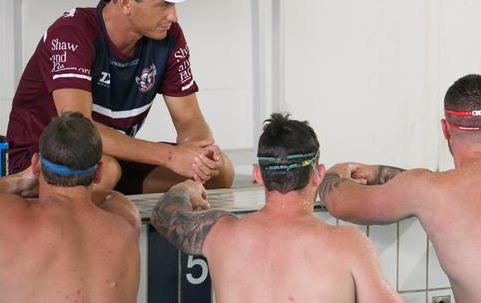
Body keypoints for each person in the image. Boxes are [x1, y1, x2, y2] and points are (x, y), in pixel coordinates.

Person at [319, 74, 481, 303]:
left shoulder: (433, 190)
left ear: (445, 128)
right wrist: (383, 172)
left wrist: (335, 172)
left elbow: (340, 202)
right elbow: (466, 189)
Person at [6, 0, 234, 195]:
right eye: (164, 4)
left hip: (111, 157)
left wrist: (199, 155)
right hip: (46, 160)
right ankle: (28, 191)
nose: (174, 15)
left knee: (221, 170)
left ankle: (112, 202)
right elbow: (79, 132)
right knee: (107, 172)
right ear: (125, 2)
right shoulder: (72, 33)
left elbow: (190, 120)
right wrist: (170, 156)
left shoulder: (169, 35)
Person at [151, 113, 402, 303]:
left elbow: (164, 214)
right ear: (318, 174)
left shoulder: (220, 234)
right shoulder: (348, 245)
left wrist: (185, 189)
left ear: (259, 175)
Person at [0, 112, 141, 302]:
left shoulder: (4, 214)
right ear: (99, 172)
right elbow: (109, 196)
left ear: (36, 166)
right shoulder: (125, 220)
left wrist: (17, 181)